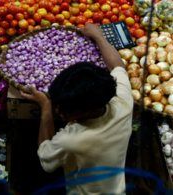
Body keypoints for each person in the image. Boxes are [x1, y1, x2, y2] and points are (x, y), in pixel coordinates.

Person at [20, 23, 133, 195]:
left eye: (65, 111)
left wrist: (46, 108)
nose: (59, 112)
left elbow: (45, 158)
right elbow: (117, 66)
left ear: (90, 110)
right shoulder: (123, 101)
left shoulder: (72, 140)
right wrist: (99, 36)